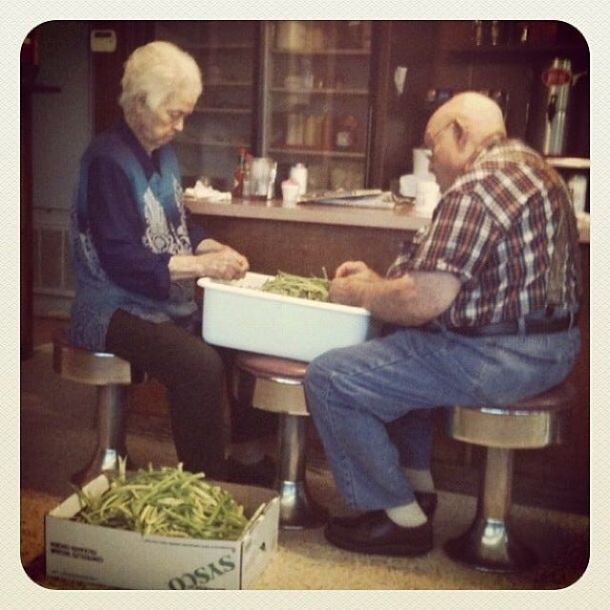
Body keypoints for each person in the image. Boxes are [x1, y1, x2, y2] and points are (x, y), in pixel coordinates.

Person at [303, 91, 581, 557]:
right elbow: (437, 287)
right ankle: (416, 488)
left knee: (330, 379)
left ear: (461, 133)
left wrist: (359, 293)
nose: (430, 162)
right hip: (550, 349)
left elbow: (422, 300)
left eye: (433, 146)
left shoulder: (479, 186)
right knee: (401, 339)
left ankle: (399, 519)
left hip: (500, 358)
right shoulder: (532, 167)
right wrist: (377, 283)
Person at [69, 41, 274, 485]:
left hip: (157, 302)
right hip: (109, 308)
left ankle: (248, 455)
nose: (179, 127)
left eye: (185, 115)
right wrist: (201, 269)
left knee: (241, 331)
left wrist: (211, 248)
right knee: (198, 364)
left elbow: (177, 222)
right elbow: (121, 259)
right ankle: (205, 486)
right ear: (139, 103)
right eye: (173, 115)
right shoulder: (106, 160)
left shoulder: (162, 153)